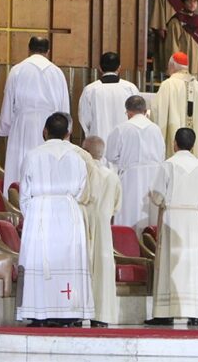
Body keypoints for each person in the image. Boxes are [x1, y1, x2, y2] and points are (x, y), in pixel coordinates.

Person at [16, 113, 94, 327]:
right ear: (68, 134)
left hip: (40, 210)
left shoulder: (33, 155)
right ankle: (69, 311)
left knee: (40, 262)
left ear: (44, 131)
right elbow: (81, 190)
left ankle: (39, 312)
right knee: (68, 260)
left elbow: (24, 192)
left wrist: (31, 216)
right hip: (69, 211)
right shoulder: (77, 156)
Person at [146, 128, 198, 327]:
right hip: (193, 219)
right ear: (192, 145)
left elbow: (157, 195)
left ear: (175, 143)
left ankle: (165, 313)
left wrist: (156, 198)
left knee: (170, 264)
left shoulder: (168, 165)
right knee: (192, 265)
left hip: (172, 219)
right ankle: (195, 313)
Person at [0, 37, 70, 194]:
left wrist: (6, 127)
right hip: (51, 128)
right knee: (46, 168)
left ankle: (16, 202)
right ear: (48, 51)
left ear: (29, 49)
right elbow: (64, 107)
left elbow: (8, 101)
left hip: (22, 125)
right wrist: (64, 134)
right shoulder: (57, 72)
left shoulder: (18, 70)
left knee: (20, 166)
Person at [77, 136, 122, 328]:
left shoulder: (83, 171)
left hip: (83, 222)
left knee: (82, 267)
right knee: (102, 272)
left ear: (84, 151)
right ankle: (101, 315)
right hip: (104, 227)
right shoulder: (112, 176)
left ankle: (77, 313)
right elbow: (116, 206)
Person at [105, 95, 166, 233]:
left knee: (129, 213)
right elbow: (162, 154)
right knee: (150, 216)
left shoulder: (121, 129)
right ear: (145, 111)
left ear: (129, 112)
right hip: (154, 178)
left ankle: (128, 247)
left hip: (130, 179)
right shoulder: (156, 129)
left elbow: (110, 155)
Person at [151, 52, 198, 169]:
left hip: (173, 155)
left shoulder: (168, 85)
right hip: (196, 155)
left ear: (172, 66)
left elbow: (157, 115)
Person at [78, 52, 139, 149]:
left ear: (100, 68)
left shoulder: (90, 90)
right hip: (124, 143)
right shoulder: (130, 88)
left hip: (99, 144)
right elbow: (137, 117)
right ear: (119, 68)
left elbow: (85, 119)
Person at [150, 0, 191, 73]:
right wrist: (160, 26)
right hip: (166, 22)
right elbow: (158, 5)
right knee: (167, 55)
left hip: (182, 24)